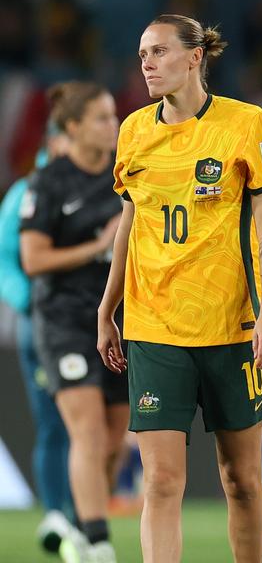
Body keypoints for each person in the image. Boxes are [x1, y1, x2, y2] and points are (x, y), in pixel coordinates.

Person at [96, 14, 262, 562]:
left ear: (195, 57)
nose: (147, 64)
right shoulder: (133, 130)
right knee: (159, 481)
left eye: (158, 52)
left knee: (242, 480)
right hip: (155, 324)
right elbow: (129, 228)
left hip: (233, 325)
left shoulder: (247, 123)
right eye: (141, 54)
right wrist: (108, 307)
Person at [19, 82, 125, 563]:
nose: (114, 126)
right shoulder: (49, 183)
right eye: (102, 118)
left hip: (121, 319)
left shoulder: (128, 177)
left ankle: (84, 525)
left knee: (113, 439)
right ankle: (99, 543)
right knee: (86, 433)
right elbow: (33, 259)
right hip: (64, 320)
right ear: (74, 127)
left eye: (114, 116)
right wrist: (96, 247)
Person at [0, 128, 74, 555]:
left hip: (89, 322)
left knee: (92, 427)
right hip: (44, 321)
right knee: (53, 422)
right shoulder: (25, 192)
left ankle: (83, 512)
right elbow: (7, 257)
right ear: (54, 143)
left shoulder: (103, 182)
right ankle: (57, 512)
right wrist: (29, 300)